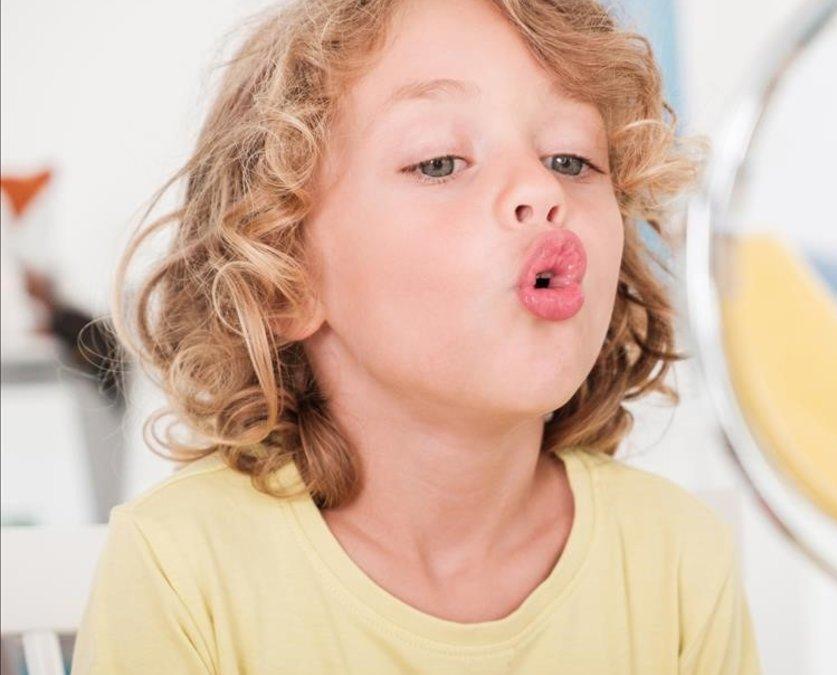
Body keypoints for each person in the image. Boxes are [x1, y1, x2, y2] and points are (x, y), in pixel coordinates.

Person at [71, 0, 760, 672]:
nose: (542, 190)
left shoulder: (677, 559)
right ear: (285, 279)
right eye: (439, 162)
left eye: (572, 159)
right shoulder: (180, 569)